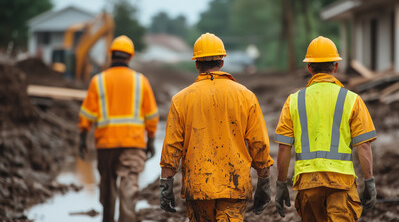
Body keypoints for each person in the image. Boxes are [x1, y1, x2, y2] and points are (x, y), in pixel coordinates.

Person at [159, 33, 274, 221]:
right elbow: (259, 143)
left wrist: (166, 184)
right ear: (222, 62)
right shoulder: (245, 96)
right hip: (234, 184)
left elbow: (172, 147)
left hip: (198, 186)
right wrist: (264, 181)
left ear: (196, 63)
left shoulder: (180, 100)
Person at [274, 36, 377, 221]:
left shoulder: (293, 101)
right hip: (341, 183)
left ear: (309, 68)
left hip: (308, 183)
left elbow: (283, 147)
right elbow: (364, 146)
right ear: (335, 67)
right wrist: (369, 182)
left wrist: (281, 184)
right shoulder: (352, 100)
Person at [78, 35, 159, 222]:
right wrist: (152, 139)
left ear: (111, 55)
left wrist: (82, 137)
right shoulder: (141, 81)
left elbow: (87, 115)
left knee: (107, 189)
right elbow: (152, 115)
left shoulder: (98, 81)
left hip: (106, 144)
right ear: (130, 57)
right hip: (133, 144)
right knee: (129, 189)